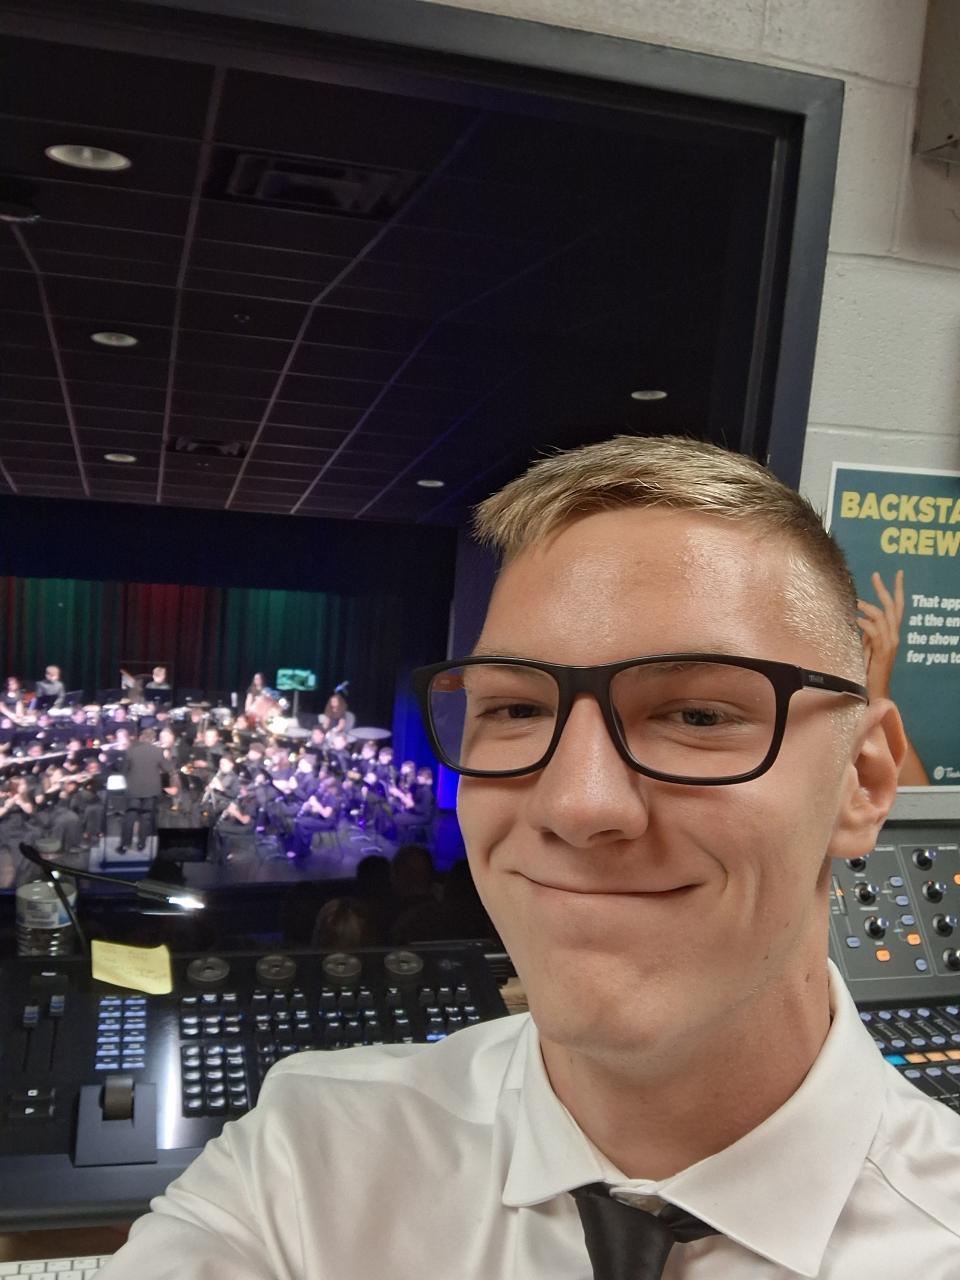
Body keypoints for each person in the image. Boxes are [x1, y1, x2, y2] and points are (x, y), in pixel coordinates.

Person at [99, 435, 959, 1279]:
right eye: (515, 710)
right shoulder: (303, 1163)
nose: (576, 804)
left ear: (862, 782)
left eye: (697, 715)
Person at [118, 727, 167, 853]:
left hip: (134, 789)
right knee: (146, 817)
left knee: (130, 816)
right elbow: (166, 768)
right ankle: (141, 844)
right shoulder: (157, 751)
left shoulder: (131, 750)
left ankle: (125, 844)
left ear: (141, 738)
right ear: (153, 739)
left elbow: (123, 770)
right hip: (151, 790)